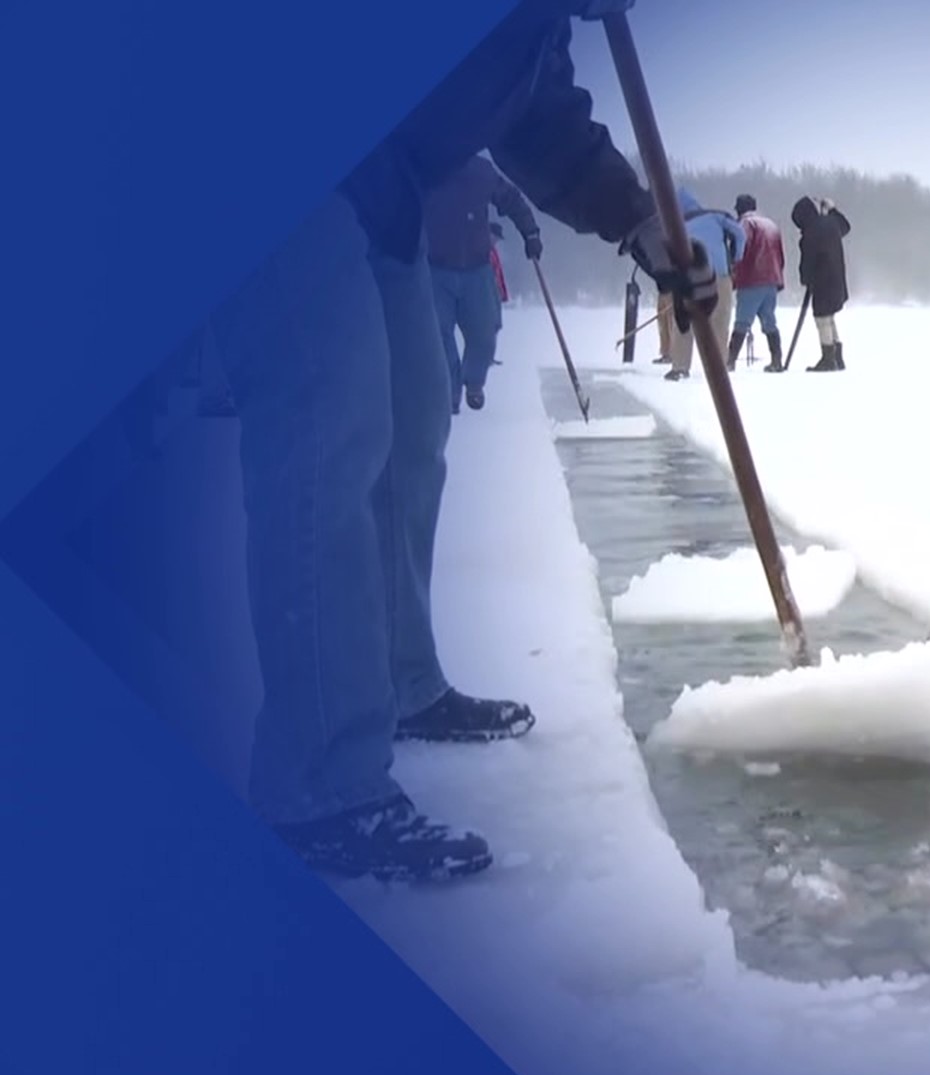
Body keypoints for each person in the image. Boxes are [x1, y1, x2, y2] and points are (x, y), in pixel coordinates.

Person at [211, 0, 717, 882]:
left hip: (384, 195)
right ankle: (320, 784)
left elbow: (542, 122)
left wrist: (639, 223)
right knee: (329, 428)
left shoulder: (537, 32)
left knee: (414, 430)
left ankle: (404, 683)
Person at [424, 154, 542, 411]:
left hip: (476, 269)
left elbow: (512, 200)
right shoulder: (424, 166)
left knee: (484, 334)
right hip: (435, 269)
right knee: (438, 335)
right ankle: (449, 392)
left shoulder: (479, 170)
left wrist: (530, 232)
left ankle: (474, 380)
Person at [664, 187, 745, 382]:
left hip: (688, 279)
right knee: (719, 321)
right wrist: (736, 256)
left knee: (683, 323)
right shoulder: (716, 216)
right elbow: (740, 233)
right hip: (719, 274)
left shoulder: (675, 226)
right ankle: (719, 368)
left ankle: (680, 367)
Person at [791, 195, 852, 372]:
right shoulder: (832, 223)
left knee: (822, 319)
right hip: (838, 279)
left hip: (822, 281)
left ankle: (828, 359)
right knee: (830, 317)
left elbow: (807, 261)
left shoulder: (810, 233)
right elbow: (845, 226)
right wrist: (832, 210)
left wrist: (805, 279)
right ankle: (837, 357)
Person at [730, 194, 788, 372]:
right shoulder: (770, 224)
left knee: (742, 322)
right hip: (772, 280)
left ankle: (729, 361)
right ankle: (777, 360)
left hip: (751, 279)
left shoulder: (745, 224)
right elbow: (780, 254)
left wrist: (732, 273)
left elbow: (740, 251)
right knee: (769, 322)